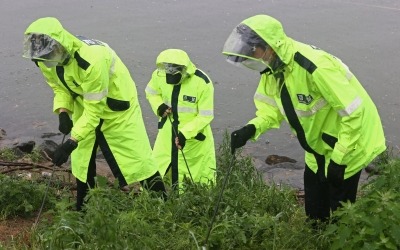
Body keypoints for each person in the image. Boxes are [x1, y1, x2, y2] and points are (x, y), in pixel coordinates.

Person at [222, 15, 386, 223]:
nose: (250, 57)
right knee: (315, 213)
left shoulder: (314, 66)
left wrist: (339, 160)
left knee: (342, 215)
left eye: (253, 52)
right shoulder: (273, 69)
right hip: (317, 148)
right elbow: (270, 110)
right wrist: (251, 129)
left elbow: (354, 113)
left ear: (270, 47)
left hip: (349, 144)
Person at [23, 17, 166, 211]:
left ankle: (165, 205)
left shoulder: (91, 61)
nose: (44, 62)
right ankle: (83, 210)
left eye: (47, 57)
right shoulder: (44, 57)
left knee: (137, 157)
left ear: (59, 45)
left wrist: (70, 142)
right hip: (86, 99)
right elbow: (59, 87)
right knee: (82, 160)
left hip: (118, 105)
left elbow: (94, 111)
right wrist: (63, 111)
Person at [145, 49, 216, 191]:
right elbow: (151, 93)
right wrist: (159, 106)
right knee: (158, 166)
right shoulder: (159, 75)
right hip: (167, 132)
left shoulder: (202, 82)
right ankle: (154, 200)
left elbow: (206, 115)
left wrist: (185, 133)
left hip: (194, 137)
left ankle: (192, 203)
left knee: (195, 174)